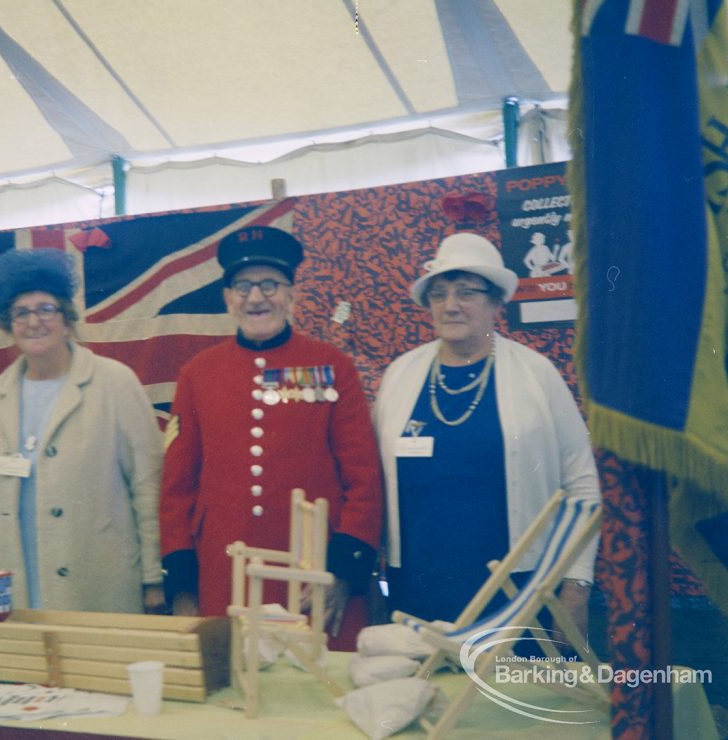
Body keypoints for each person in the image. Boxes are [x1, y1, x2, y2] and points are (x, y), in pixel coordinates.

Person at [161, 226, 383, 650]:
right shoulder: (198, 373)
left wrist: (342, 569)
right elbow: (177, 485)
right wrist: (182, 572)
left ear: (291, 294)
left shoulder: (332, 366)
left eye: (270, 285)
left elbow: (363, 475)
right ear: (227, 298)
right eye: (243, 286)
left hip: (312, 571)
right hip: (226, 571)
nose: (256, 297)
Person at [374, 232, 599, 639]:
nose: (451, 306)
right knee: (429, 699)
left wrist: (577, 586)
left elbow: (583, 484)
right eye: (439, 294)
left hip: (520, 593)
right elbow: (374, 485)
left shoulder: (537, 374)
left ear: (497, 302)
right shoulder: (399, 376)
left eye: (466, 293)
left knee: (517, 698)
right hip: (418, 592)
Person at [0, 248, 164, 614]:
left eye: (46, 309)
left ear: (67, 319)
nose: (34, 322)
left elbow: (148, 487)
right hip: (12, 592)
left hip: (98, 586)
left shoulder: (115, 383)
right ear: (8, 324)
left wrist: (154, 578)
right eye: (21, 313)